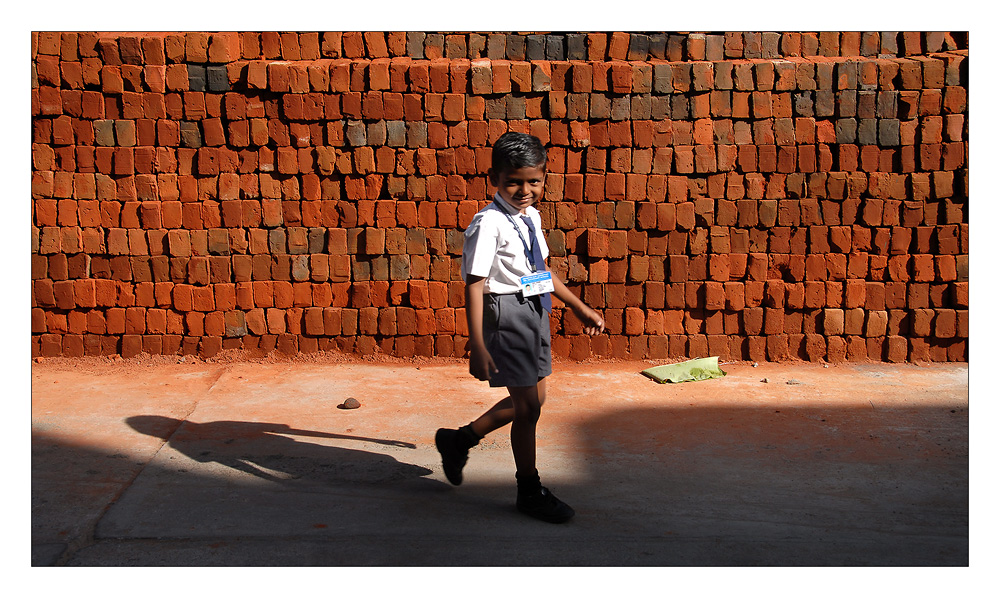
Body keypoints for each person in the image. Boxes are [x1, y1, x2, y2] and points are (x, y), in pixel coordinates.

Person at [435, 131, 605, 523]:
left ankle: (459, 439)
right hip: (505, 313)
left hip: (532, 309)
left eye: (534, 181)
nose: (524, 190)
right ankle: (528, 489)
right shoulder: (488, 224)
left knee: (534, 400)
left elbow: (539, 273)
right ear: (494, 178)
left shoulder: (530, 217)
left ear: (544, 179)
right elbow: (474, 285)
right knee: (528, 409)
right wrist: (477, 343)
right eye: (513, 181)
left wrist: (577, 306)